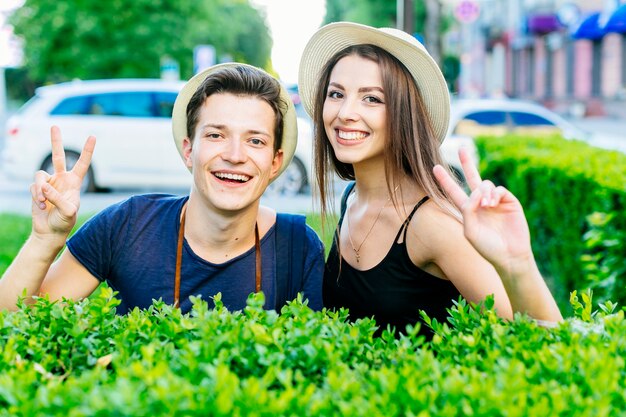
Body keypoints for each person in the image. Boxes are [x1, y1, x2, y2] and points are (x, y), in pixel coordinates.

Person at [298, 22, 562, 335]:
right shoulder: (352, 197)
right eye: (336, 93)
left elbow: (542, 339)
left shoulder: (432, 224)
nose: (345, 112)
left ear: (403, 113)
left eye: (371, 98)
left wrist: (518, 263)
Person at [0, 63, 324, 313]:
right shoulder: (129, 225)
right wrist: (45, 239)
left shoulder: (298, 248)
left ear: (275, 162)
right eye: (215, 135)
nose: (235, 156)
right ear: (188, 150)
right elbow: (18, 320)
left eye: (255, 141)